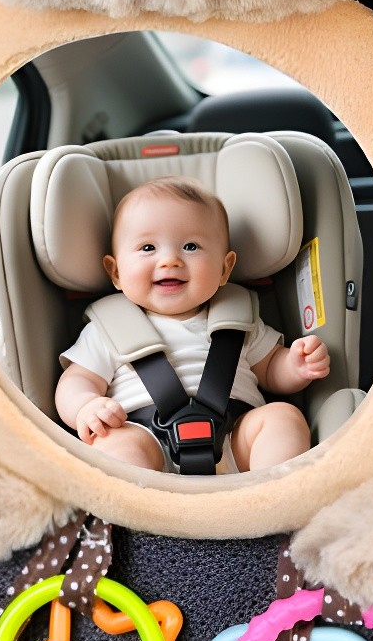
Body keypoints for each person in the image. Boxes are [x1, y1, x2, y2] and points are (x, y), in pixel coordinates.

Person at [54, 178, 330, 472]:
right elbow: (77, 380)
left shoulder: (240, 319)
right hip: (145, 439)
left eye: (190, 246)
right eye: (147, 247)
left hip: (235, 439)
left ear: (224, 268)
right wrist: (85, 405)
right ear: (116, 272)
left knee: (284, 417)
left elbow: (270, 369)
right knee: (112, 443)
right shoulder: (108, 329)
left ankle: (272, 494)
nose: (170, 260)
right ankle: (134, 501)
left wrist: (295, 366)